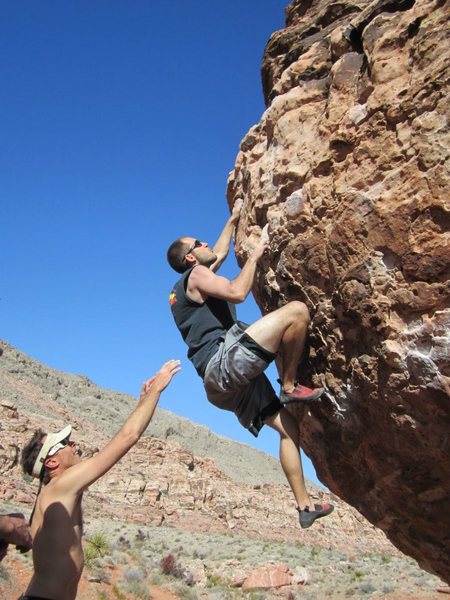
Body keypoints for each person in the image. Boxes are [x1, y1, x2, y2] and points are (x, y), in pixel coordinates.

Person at [167, 202, 334, 529]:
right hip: (223, 363)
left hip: (219, 387)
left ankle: (304, 507)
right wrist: (257, 255)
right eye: (198, 244)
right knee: (298, 311)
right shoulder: (196, 275)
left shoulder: (184, 287)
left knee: (289, 428)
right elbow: (238, 292)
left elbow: (217, 253)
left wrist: (231, 219)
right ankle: (289, 385)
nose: (205, 245)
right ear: (189, 258)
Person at [19, 358, 180, 600]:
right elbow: (127, 437)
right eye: (64, 444)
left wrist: (142, 403)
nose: (73, 444)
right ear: (51, 462)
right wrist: (156, 391)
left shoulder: (53, 492)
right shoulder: (62, 485)